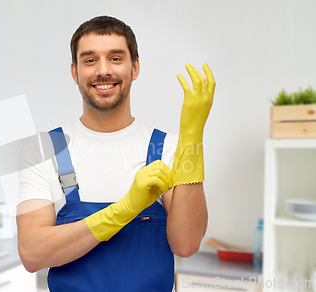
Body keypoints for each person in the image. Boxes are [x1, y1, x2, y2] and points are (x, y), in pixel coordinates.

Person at [16, 15, 214, 291]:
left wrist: (192, 137)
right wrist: (125, 209)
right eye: (90, 60)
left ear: (135, 68)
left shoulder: (168, 149)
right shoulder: (42, 150)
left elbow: (187, 244)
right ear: (75, 72)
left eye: (116, 58)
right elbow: (32, 253)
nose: (103, 70)